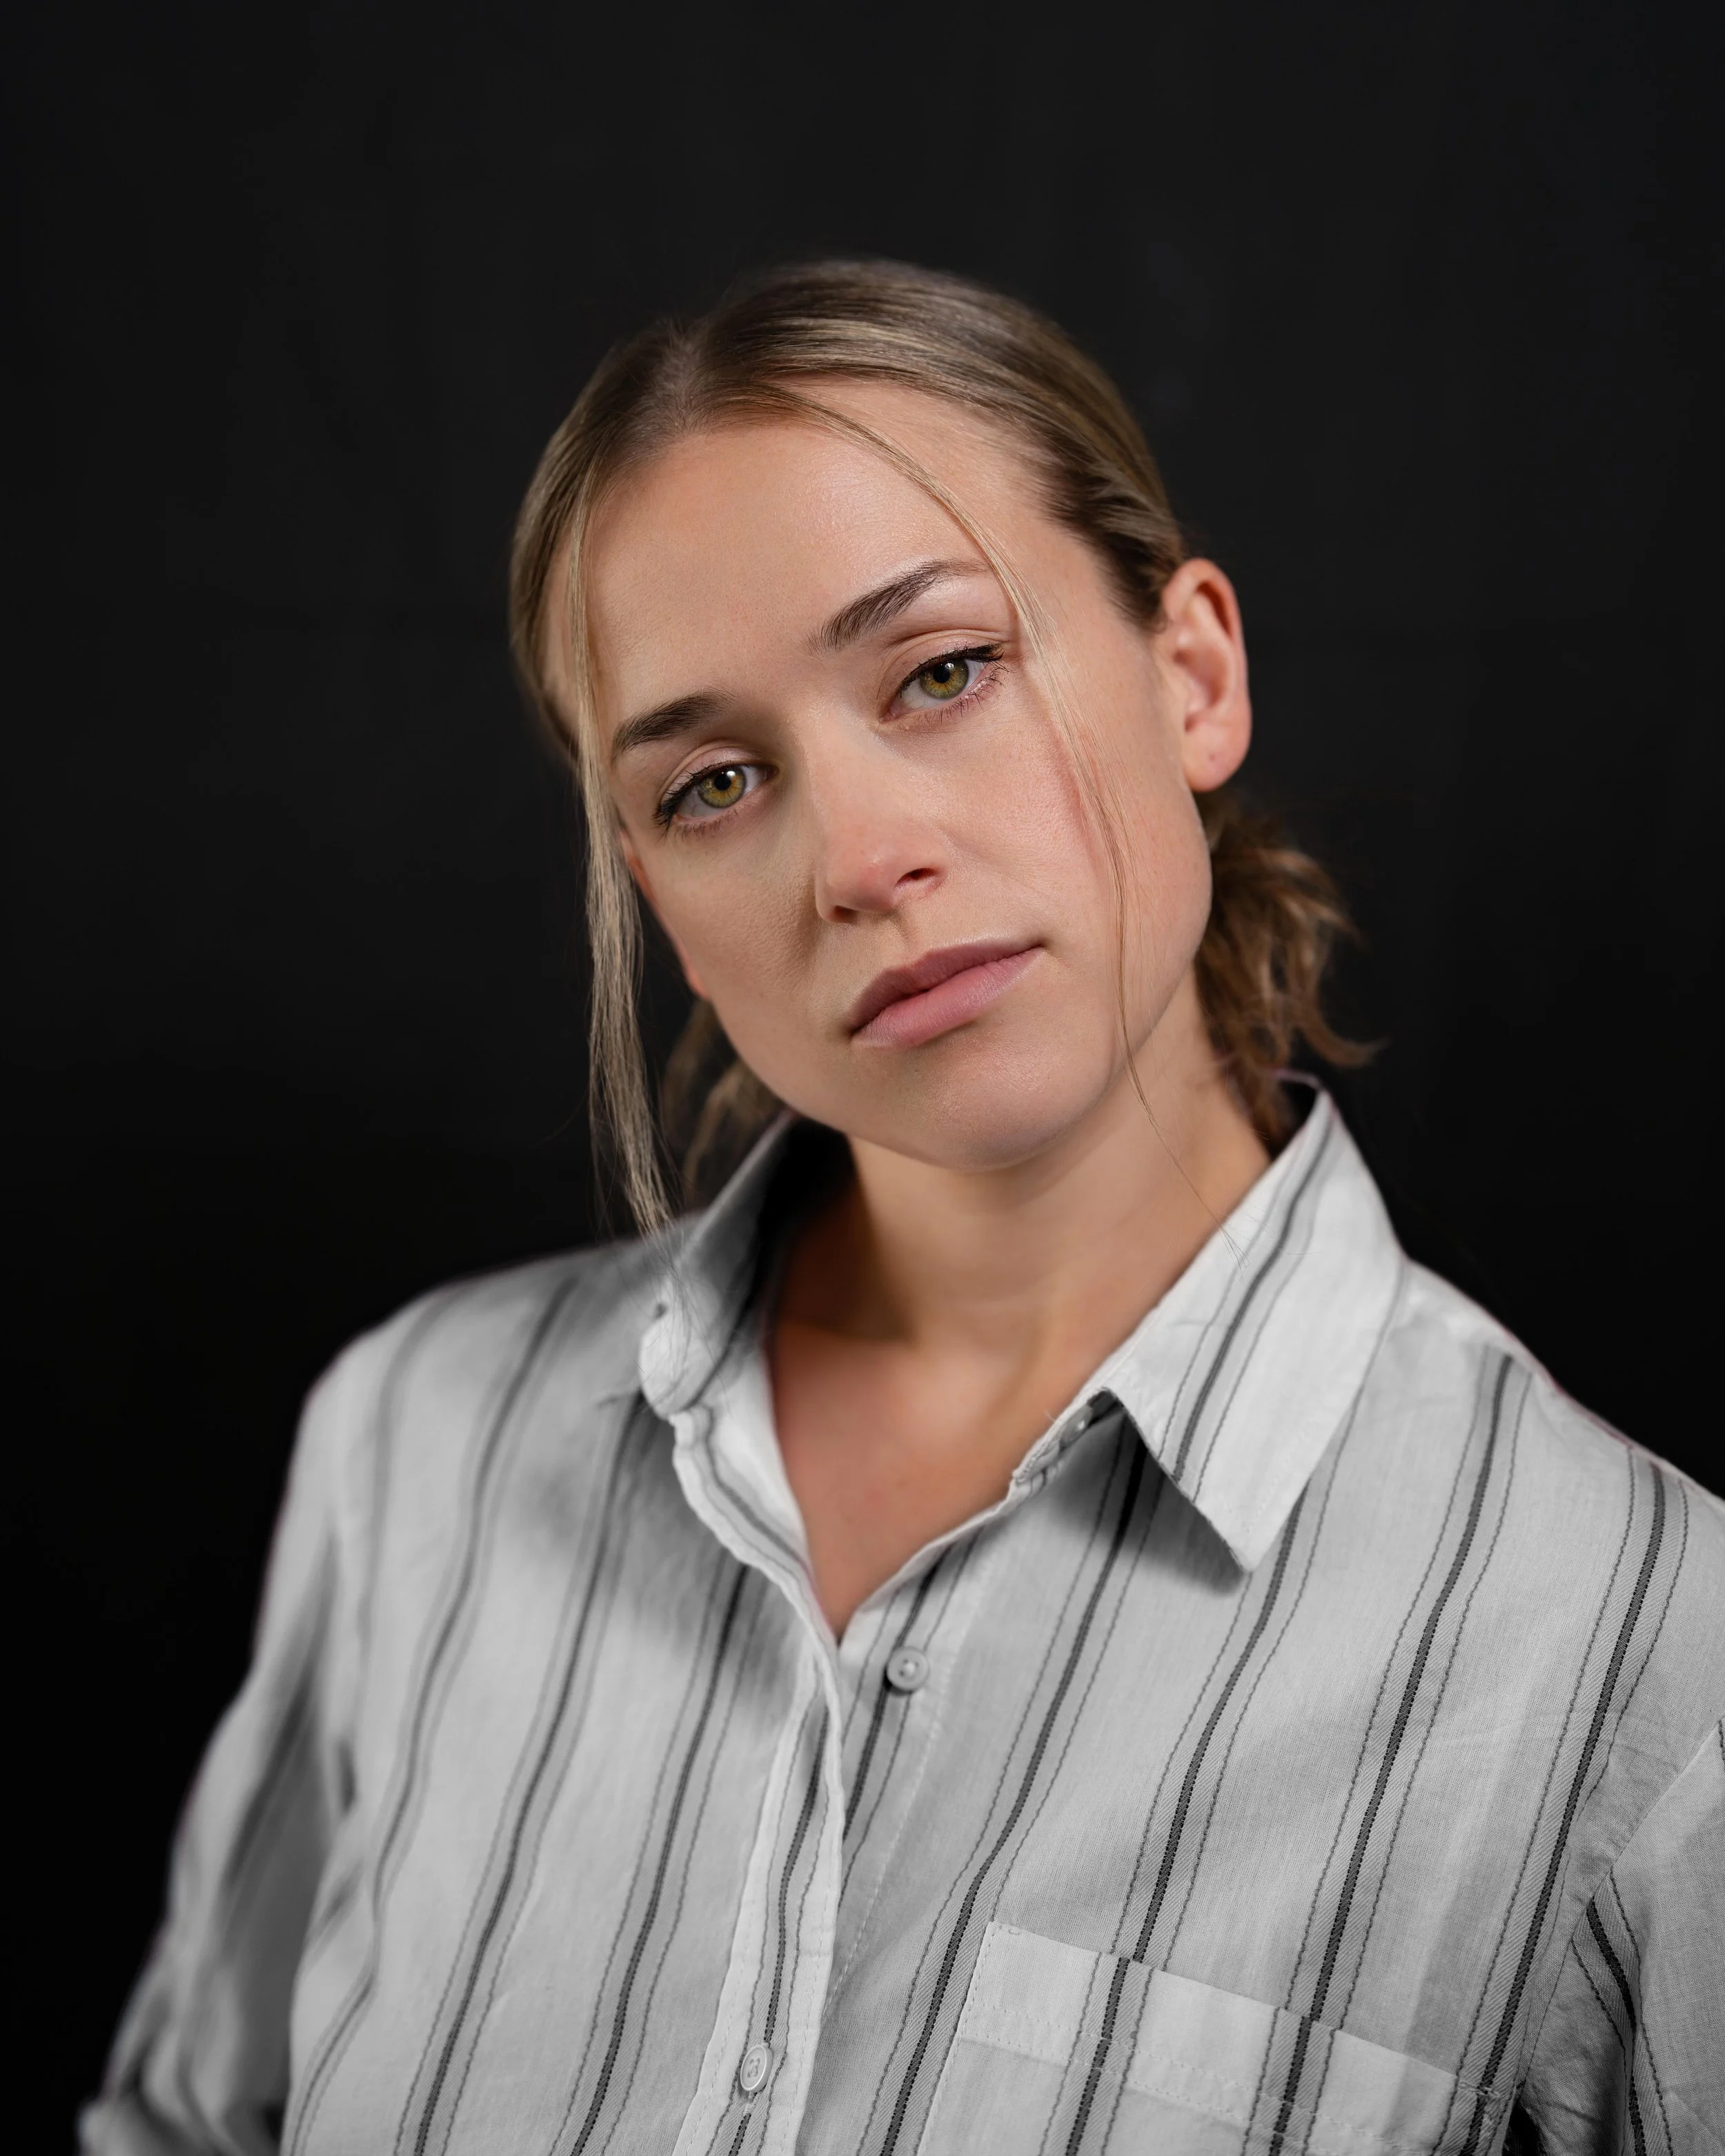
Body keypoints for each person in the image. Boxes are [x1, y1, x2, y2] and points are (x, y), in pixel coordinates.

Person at [84, 261, 1722, 2156]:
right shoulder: (418, 1440)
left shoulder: (1632, 1640)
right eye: (713, 782)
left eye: (941, 671)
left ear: (1190, 675)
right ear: (655, 894)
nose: (858, 859)